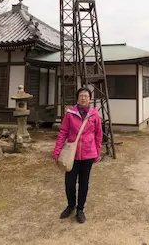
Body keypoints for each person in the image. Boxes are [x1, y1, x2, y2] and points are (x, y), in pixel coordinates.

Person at [53, 87, 103, 223]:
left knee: (83, 183)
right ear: (77, 98)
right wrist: (57, 151)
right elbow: (63, 132)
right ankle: (71, 206)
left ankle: (80, 209)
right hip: (72, 155)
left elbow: (98, 134)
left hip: (88, 154)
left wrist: (97, 153)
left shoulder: (94, 114)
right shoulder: (70, 113)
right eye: (81, 95)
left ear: (89, 98)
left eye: (86, 96)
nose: (83, 98)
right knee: (69, 182)